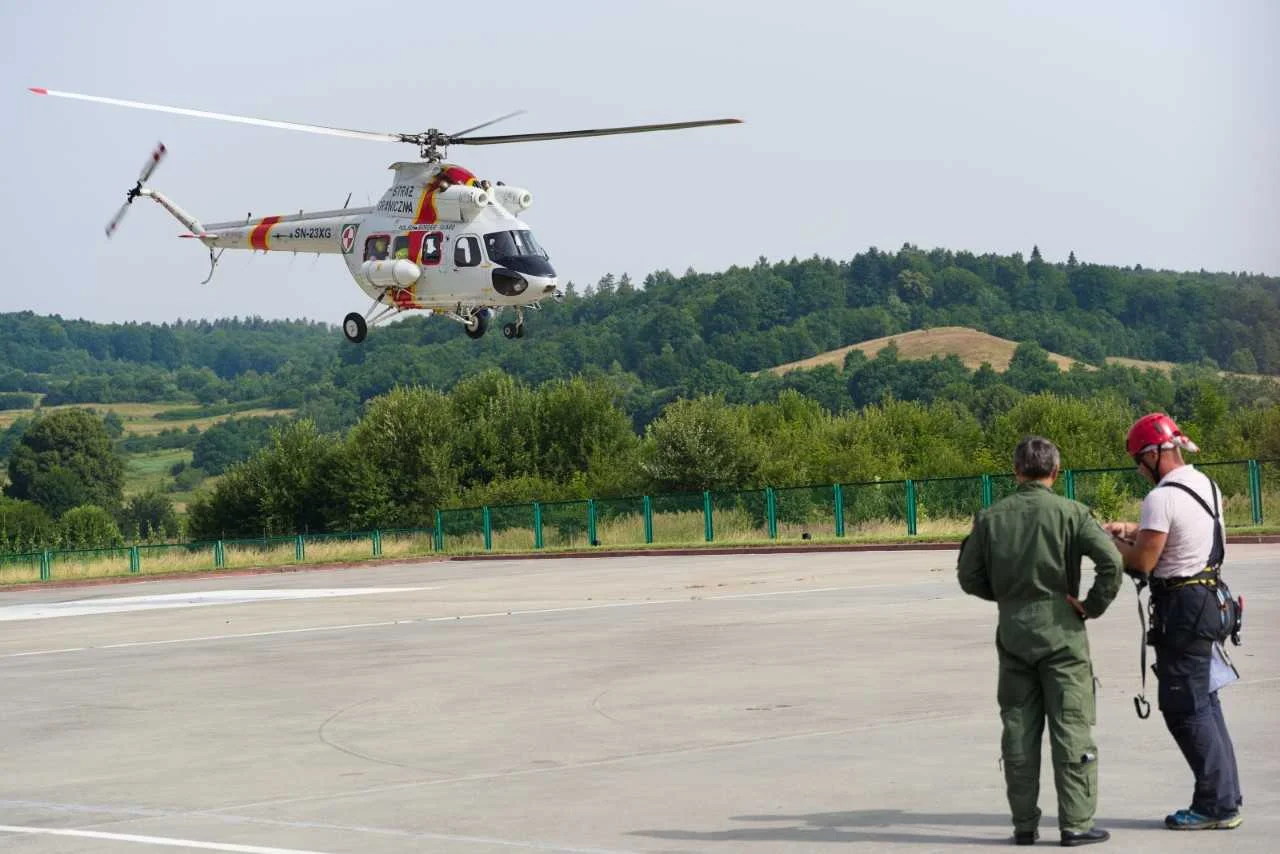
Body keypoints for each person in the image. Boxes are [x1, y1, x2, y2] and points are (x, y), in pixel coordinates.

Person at [958, 436, 1123, 847]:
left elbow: (967, 576)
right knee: (1071, 726)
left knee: (1017, 728)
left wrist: (1006, 597)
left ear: (1016, 471)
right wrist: (1091, 606)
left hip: (1014, 634)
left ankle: (1024, 825)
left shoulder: (991, 518)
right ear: (1055, 472)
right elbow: (1112, 562)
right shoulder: (1072, 513)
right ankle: (1076, 823)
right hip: (1063, 636)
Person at [1103, 413, 1243, 830]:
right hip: (1209, 599)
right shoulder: (1203, 484)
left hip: (1183, 609)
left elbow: (1144, 562)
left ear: (1152, 454)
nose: (1138, 470)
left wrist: (1110, 541)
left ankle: (1217, 806)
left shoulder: (1161, 497)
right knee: (1205, 704)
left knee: (1185, 708)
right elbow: (1179, 535)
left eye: (1137, 461)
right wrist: (1133, 528)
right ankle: (1223, 796)